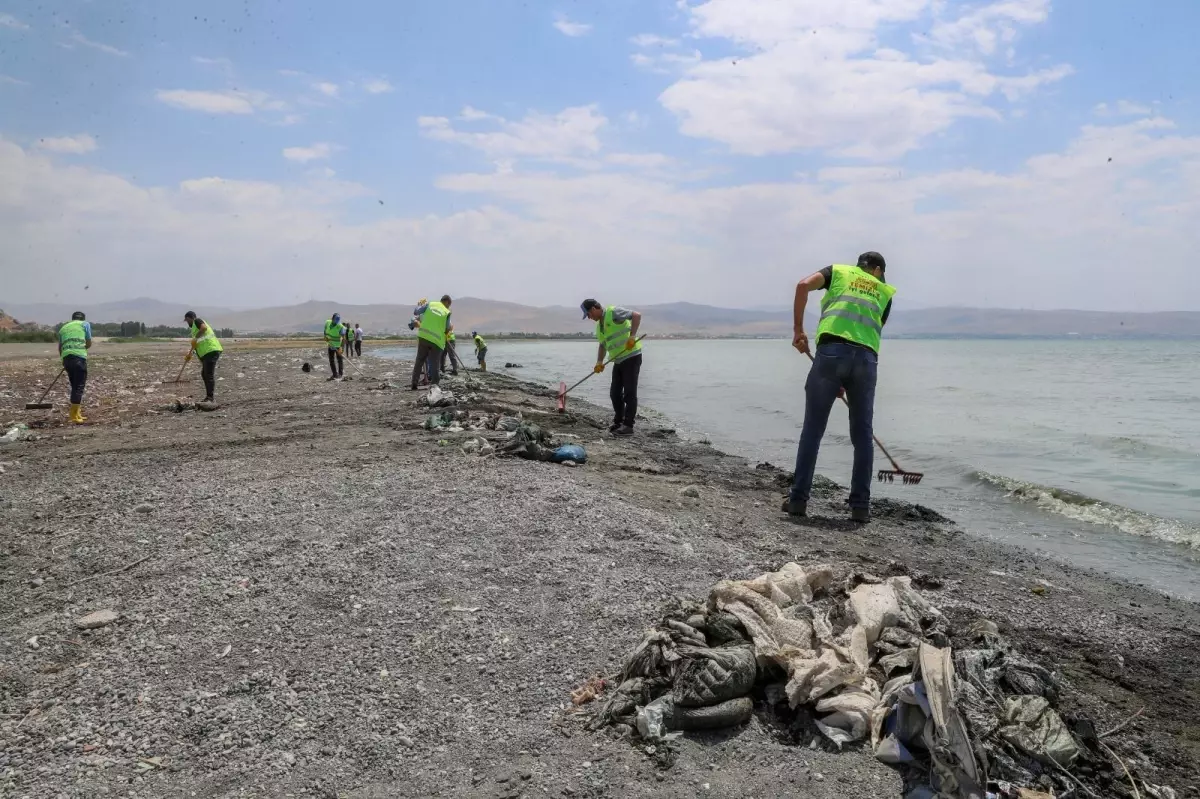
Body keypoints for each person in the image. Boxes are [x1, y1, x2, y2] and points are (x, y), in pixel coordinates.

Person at [784, 251, 896, 523]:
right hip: (866, 362)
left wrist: (799, 330)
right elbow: (868, 330)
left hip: (831, 355)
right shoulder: (884, 291)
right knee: (862, 436)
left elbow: (802, 286)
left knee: (813, 430)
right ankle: (860, 507)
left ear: (859, 266)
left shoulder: (838, 272)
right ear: (878, 270)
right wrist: (846, 378)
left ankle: (798, 501)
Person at [581, 299, 642, 436]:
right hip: (618, 360)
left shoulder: (613, 312)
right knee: (614, 393)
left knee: (629, 393)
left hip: (631, 356)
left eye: (589, 314)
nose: (590, 318)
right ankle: (619, 421)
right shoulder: (599, 327)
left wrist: (632, 336)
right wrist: (599, 362)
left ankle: (628, 426)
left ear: (594, 308)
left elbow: (636, 315)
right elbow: (603, 345)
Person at [409, 295, 452, 390]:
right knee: (435, 363)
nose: (448, 307)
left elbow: (416, 311)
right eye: (449, 305)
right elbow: (447, 328)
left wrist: (420, 305)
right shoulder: (447, 312)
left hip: (424, 336)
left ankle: (414, 383)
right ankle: (435, 385)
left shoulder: (430, 304)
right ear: (447, 302)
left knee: (419, 360)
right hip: (437, 341)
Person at [57, 311, 92, 423]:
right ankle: (73, 415)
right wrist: (83, 348)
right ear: (82, 318)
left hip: (67, 358)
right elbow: (89, 342)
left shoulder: (63, 328)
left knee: (74, 385)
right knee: (79, 386)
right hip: (79, 358)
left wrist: (64, 360)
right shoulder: (84, 324)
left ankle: (77, 413)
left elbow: (60, 347)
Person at [184, 311, 224, 404]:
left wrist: (195, 338)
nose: (187, 323)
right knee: (204, 374)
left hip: (211, 350)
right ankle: (208, 397)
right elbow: (198, 343)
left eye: (187, 320)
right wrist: (190, 354)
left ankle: (210, 398)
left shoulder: (197, 321)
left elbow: (204, 328)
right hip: (207, 352)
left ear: (190, 318)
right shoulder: (194, 328)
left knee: (208, 374)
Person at [324, 313, 345, 380]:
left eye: (337, 321)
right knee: (331, 360)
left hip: (338, 346)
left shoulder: (341, 327)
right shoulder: (327, 322)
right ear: (332, 319)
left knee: (339, 360)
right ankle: (335, 374)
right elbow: (325, 331)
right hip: (330, 345)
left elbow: (344, 338)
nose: (336, 323)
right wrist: (325, 337)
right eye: (335, 320)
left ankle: (340, 374)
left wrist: (341, 348)